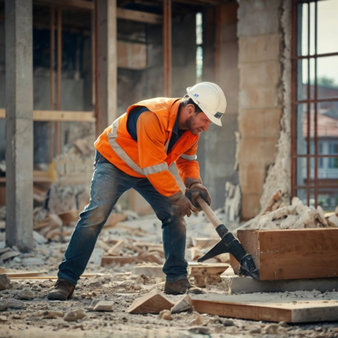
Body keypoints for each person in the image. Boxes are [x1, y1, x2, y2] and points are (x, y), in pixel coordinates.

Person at [47, 82, 227, 300]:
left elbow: (187, 161)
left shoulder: (191, 130)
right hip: (114, 163)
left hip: (147, 170)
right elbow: (153, 165)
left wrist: (194, 184)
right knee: (95, 215)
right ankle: (66, 281)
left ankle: (176, 281)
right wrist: (176, 196)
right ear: (191, 109)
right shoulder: (152, 116)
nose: (206, 127)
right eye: (205, 120)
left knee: (174, 215)